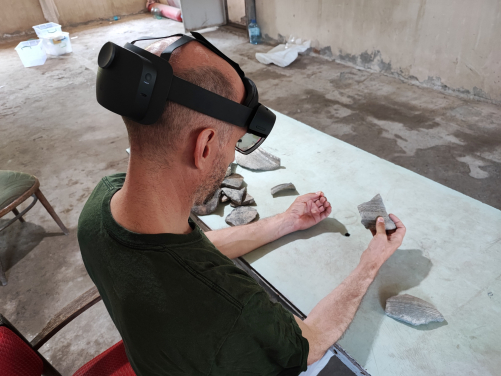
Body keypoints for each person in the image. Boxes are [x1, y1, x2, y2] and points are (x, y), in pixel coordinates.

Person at [78, 35, 406, 376]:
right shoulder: (231, 306)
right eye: (235, 142)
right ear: (204, 146)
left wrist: (287, 221)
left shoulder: (101, 205)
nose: (232, 154)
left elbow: (191, 252)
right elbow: (309, 341)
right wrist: (371, 262)